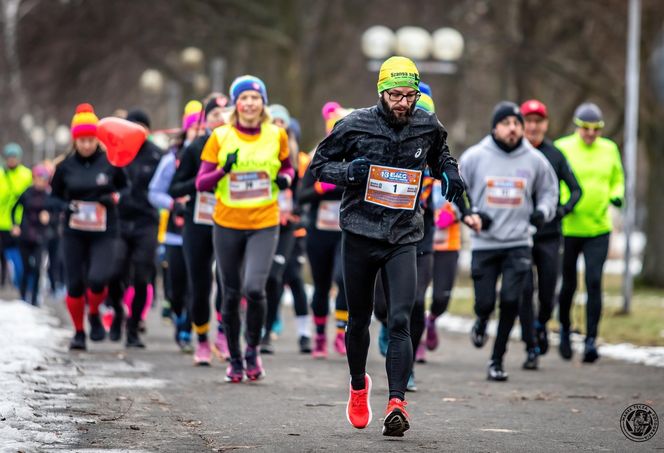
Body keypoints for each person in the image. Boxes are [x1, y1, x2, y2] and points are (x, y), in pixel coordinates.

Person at [310, 56, 465, 437]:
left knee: (401, 317)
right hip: (360, 234)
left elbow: (440, 152)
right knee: (359, 319)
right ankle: (359, 385)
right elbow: (319, 166)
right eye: (395, 95)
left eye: (409, 95)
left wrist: (449, 170)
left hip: (403, 235)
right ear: (381, 92)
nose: (403, 103)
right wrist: (349, 173)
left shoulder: (426, 124)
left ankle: (397, 403)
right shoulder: (354, 124)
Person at [196, 75, 294, 382]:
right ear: (236, 104)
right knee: (230, 292)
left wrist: (286, 179)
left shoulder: (276, 134)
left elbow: (288, 166)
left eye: (255, 98)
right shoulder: (220, 136)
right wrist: (224, 169)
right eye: (244, 98)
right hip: (227, 223)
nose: (250, 103)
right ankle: (235, 359)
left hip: (264, 222)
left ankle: (252, 349)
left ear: (263, 103)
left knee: (254, 288)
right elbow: (201, 182)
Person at [460, 101, 558, 381]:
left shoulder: (535, 160)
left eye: (517, 123)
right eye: (507, 123)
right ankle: (481, 319)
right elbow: (456, 190)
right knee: (486, 302)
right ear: (495, 127)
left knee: (512, 300)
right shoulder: (475, 156)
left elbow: (550, 192)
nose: (513, 128)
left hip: (519, 242)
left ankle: (497, 359)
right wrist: (472, 214)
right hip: (485, 243)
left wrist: (542, 212)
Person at [50, 103, 129, 350]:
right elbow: (53, 197)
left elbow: (125, 188)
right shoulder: (65, 167)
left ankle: (94, 312)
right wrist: (65, 206)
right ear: (75, 140)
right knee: (74, 284)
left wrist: (113, 198)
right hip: (74, 232)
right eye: (82, 140)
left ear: (98, 139)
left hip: (104, 231)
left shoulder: (110, 162)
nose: (86, 145)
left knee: (97, 279)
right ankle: (79, 332)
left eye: (91, 139)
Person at [554, 102, 624, 363]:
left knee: (594, 282)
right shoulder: (563, 147)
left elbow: (618, 179)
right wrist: (561, 206)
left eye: (596, 129)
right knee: (568, 284)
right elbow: (555, 179)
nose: (591, 134)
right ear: (577, 126)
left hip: (598, 228)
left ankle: (591, 339)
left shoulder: (609, 149)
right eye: (586, 129)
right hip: (569, 226)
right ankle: (563, 329)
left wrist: (617, 196)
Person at [517, 99, 582, 369]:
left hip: (549, 235)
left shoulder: (554, 154)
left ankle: (541, 323)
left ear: (545, 124)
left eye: (538, 121)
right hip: (519, 235)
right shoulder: (511, 153)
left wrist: (562, 210)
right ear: (521, 124)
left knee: (546, 294)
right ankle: (530, 345)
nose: (533, 126)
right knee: (523, 291)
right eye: (528, 121)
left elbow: (576, 189)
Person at [168, 93, 230, 365]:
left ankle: (224, 335)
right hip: (198, 223)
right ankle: (202, 339)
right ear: (206, 120)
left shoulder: (238, 144)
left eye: (225, 113)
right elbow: (175, 188)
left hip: (229, 220)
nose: (220, 119)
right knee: (200, 283)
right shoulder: (195, 148)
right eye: (215, 115)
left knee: (229, 281)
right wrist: (202, 182)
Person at [296, 102, 350, 359]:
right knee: (320, 285)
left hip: (346, 231)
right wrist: (320, 190)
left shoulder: (357, 155)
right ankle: (319, 336)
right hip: (319, 233)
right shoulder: (318, 154)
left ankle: (340, 333)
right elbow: (302, 196)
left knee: (344, 280)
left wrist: (342, 185)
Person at [149, 100, 204, 352]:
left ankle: (187, 327)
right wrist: (173, 205)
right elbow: (155, 192)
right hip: (175, 234)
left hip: (204, 229)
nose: (198, 133)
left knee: (199, 285)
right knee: (177, 286)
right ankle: (179, 314)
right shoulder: (173, 158)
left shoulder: (214, 154)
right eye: (195, 129)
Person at [106, 109, 163, 347]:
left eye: (141, 127)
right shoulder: (116, 153)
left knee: (142, 277)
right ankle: (118, 311)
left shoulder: (157, 155)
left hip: (146, 222)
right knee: (115, 271)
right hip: (119, 221)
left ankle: (133, 327)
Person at [10, 164, 62, 305]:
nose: (41, 181)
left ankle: (34, 299)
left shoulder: (50, 195)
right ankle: (22, 296)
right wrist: (15, 225)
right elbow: (14, 209)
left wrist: (49, 217)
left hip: (41, 236)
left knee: (38, 267)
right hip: (26, 235)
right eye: (39, 178)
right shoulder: (27, 193)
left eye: (44, 179)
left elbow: (58, 215)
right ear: (34, 178)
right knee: (25, 267)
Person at [0, 143, 33, 289]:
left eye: (14, 157)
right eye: (9, 157)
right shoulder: (1, 174)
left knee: (17, 255)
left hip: (19, 222)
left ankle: (20, 284)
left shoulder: (26, 174)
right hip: (1, 221)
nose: (11, 160)